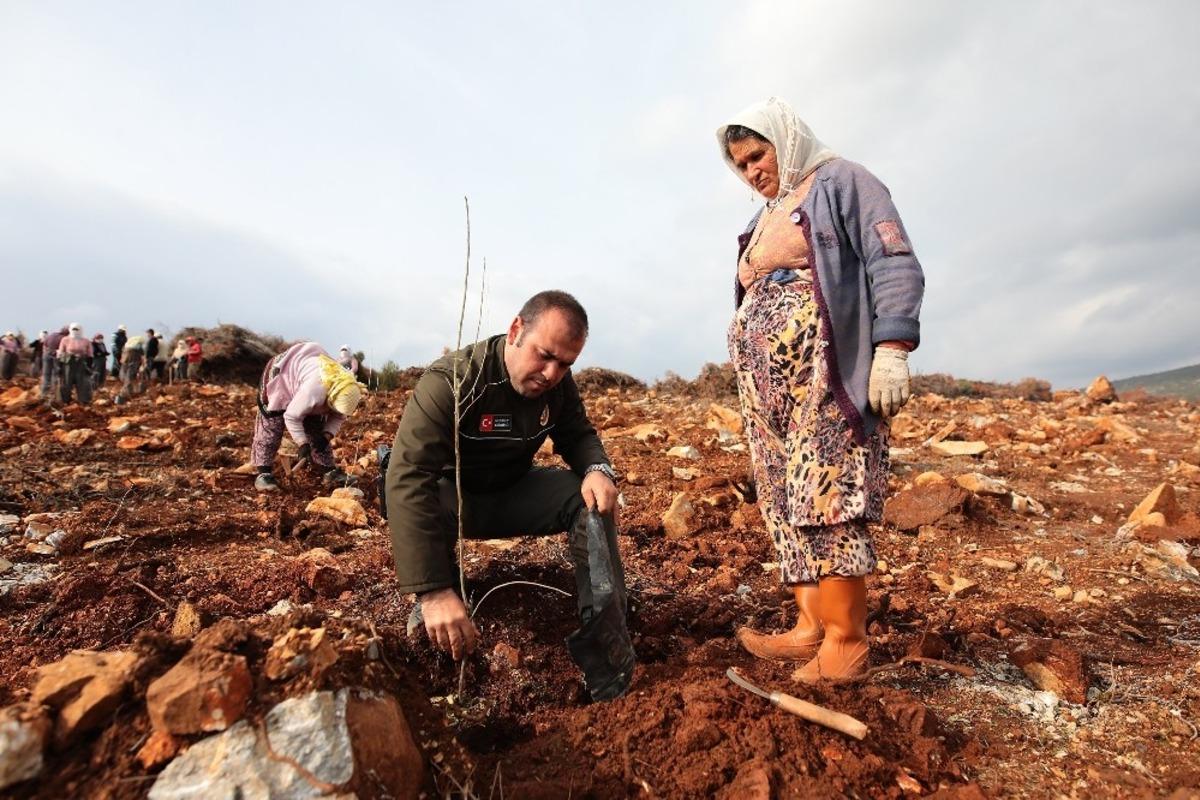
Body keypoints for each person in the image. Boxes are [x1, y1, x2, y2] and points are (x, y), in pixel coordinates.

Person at [717, 98, 924, 683]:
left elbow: (895, 261)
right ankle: (809, 626)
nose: (752, 171)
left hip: (825, 375)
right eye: (741, 166)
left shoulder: (842, 181)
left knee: (825, 489)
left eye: (758, 155)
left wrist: (892, 348)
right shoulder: (768, 215)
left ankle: (846, 643)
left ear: (787, 140)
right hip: (769, 390)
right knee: (783, 493)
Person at [383, 290, 635, 701]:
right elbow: (409, 476)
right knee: (413, 493)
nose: (552, 373)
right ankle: (439, 597)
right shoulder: (449, 382)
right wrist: (433, 590)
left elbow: (578, 435)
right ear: (516, 329)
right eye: (544, 355)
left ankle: (606, 629)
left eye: (565, 364)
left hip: (514, 492)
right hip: (455, 503)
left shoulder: (557, 385)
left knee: (587, 497)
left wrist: (597, 469)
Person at [251, 342, 365, 491]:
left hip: (306, 380)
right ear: (331, 397)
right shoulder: (314, 391)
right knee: (272, 426)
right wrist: (303, 444)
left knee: (316, 429)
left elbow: (338, 417)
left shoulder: (346, 388)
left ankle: (328, 472)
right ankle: (263, 474)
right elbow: (291, 416)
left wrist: (326, 436)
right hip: (282, 377)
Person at [57, 323, 94, 405]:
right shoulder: (65, 340)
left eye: (77, 329)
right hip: (68, 363)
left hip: (81, 363)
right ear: (70, 329)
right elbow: (61, 352)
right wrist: (59, 366)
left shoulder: (86, 341)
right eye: (73, 329)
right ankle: (65, 401)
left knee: (82, 383)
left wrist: (89, 366)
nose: (75, 331)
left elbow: (90, 354)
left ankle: (83, 401)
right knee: (66, 383)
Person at [40, 326, 68, 399]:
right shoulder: (64, 338)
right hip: (56, 356)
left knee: (46, 375)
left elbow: (44, 344)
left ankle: (44, 395)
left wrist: (47, 352)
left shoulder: (52, 335)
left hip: (46, 355)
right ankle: (54, 395)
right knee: (55, 375)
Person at [118, 333, 147, 401]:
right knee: (129, 379)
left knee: (126, 378)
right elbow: (143, 357)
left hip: (126, 364)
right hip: (132, 364)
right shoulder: (137, 348)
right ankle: (124, 395)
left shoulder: (126, 347)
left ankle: (127, 393)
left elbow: (122, 358)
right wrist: (143, 365)